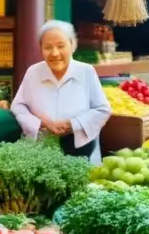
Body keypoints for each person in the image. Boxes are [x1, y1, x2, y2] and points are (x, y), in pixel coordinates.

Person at [10, 20, 111, 163]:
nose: (54, 53)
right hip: (40, 151)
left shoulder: (86, 71)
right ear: (41, 49)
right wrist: (42, 124)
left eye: (61, 46)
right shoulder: (33, 72)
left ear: (73, 45)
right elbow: (18, 106)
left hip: (81, 150)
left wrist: (72, 124)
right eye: (48, 47)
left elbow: (102, 109)